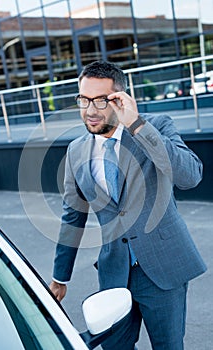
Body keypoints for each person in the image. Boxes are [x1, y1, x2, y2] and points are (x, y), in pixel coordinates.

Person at [49, 60, 207, 350]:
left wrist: (136, 125)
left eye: (100, 100)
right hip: (113, 271)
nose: (90, 109)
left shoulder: (154, 127)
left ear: (120, 98)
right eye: (83, 99)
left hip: (163, 267)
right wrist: (61, 276)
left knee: (169, 346)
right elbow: (73, 216)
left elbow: (190, 176)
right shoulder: (75, 151)